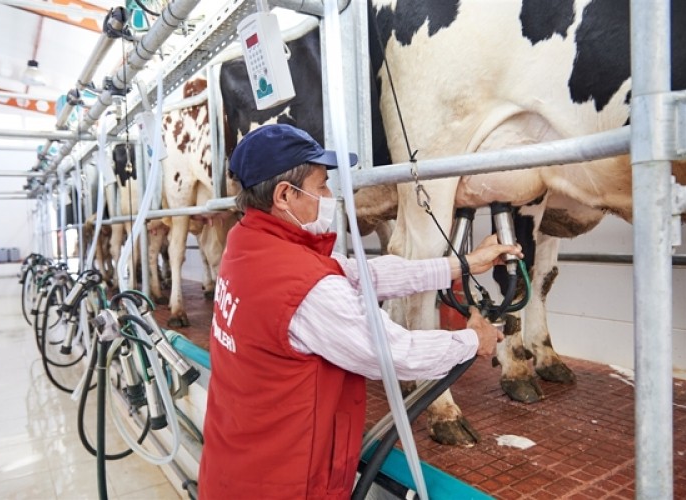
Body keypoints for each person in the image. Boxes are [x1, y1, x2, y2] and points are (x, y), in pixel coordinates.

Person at [197, 124, 523, 499]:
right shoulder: (305, 285)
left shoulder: (247, 244)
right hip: (283, 483)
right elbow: (396, 354)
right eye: (321, 185)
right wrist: (472, 340)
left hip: (234, 467)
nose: (329, 195)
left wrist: (463, 264)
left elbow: (363, 275)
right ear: (285, 195)